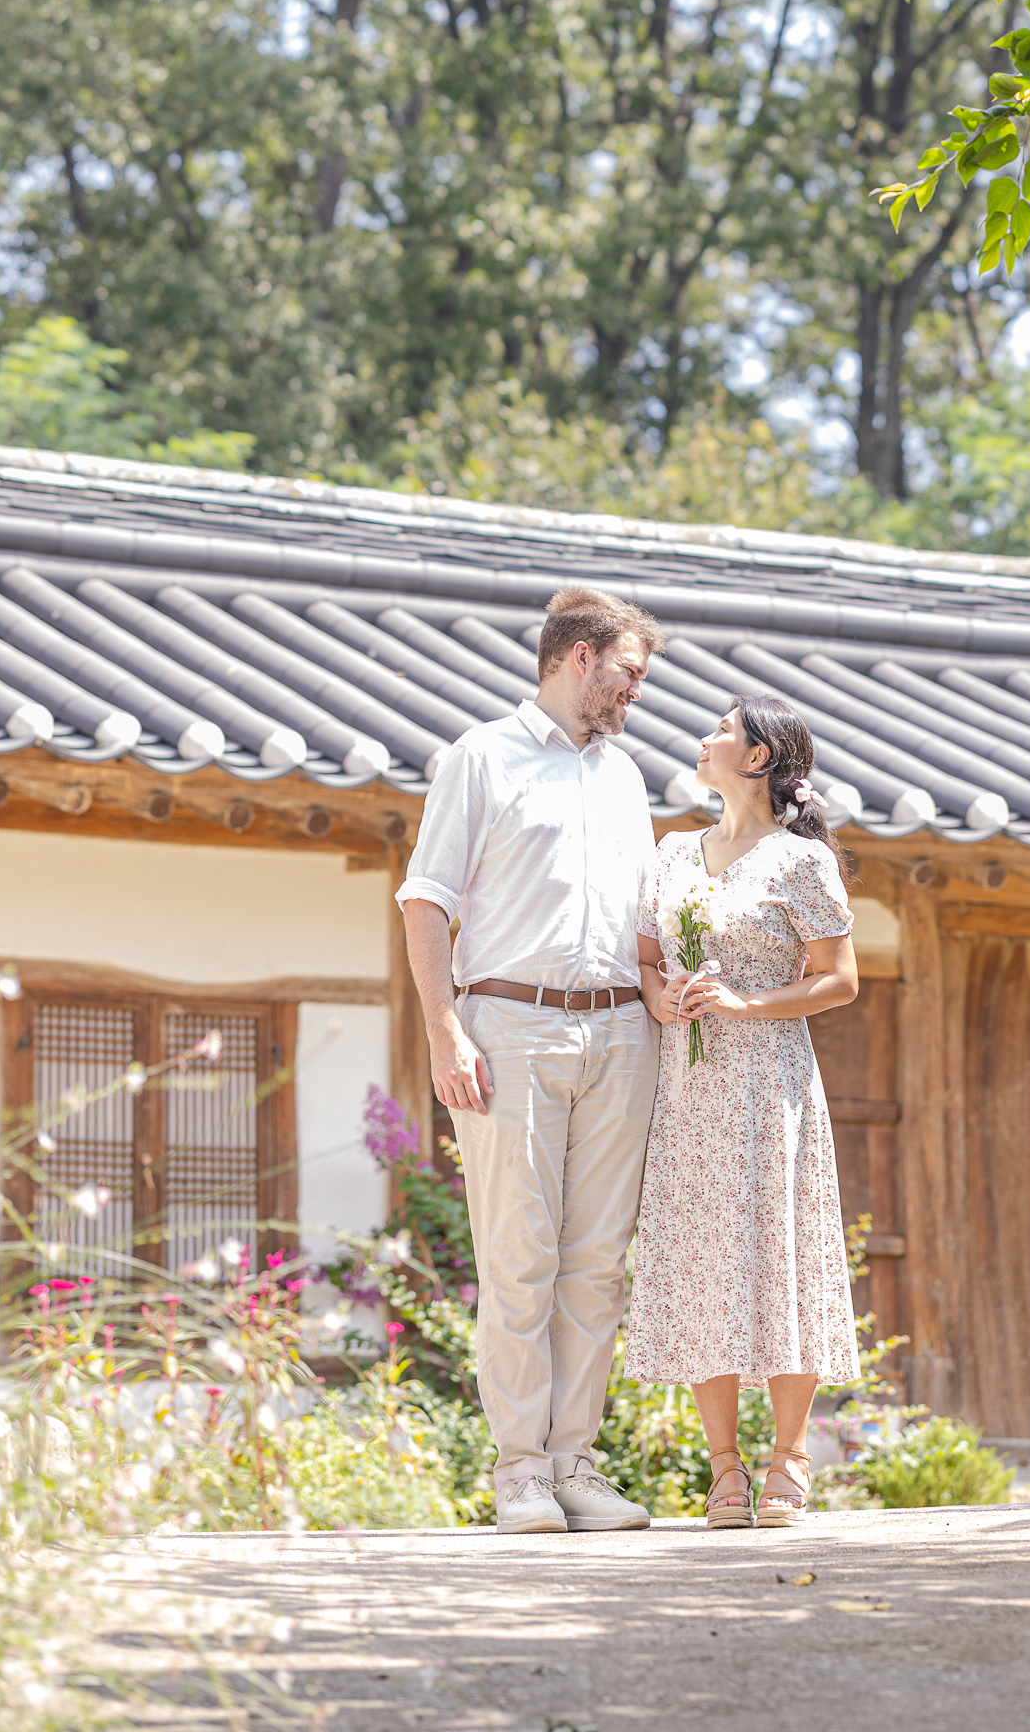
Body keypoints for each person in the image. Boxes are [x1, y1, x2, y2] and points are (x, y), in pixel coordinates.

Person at [396, 584, 663, 1534]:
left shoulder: (626, 777)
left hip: (624, 1032)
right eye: (630, 674)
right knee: (520, 1255)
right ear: (580, 658)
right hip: (508, 1025)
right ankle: (520, 1474)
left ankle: (576, 1464)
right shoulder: (481, 757)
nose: (637, 694)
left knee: (596, 1263)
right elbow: (425, 901)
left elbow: (645, 922)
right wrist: (444, 1030)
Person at [624, 693, 861, 1527]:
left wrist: (748, 1003)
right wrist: (665, 1003)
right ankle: (724, 1472)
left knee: (780, 1254)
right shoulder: (673, 853)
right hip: (689, 1091)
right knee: (700, 1263)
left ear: (758, 758)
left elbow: (840, 979)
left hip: (770, 1088)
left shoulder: (801, 861)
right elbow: (647, 965)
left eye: (722, 731)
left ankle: (789, 1459)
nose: (705, 740)